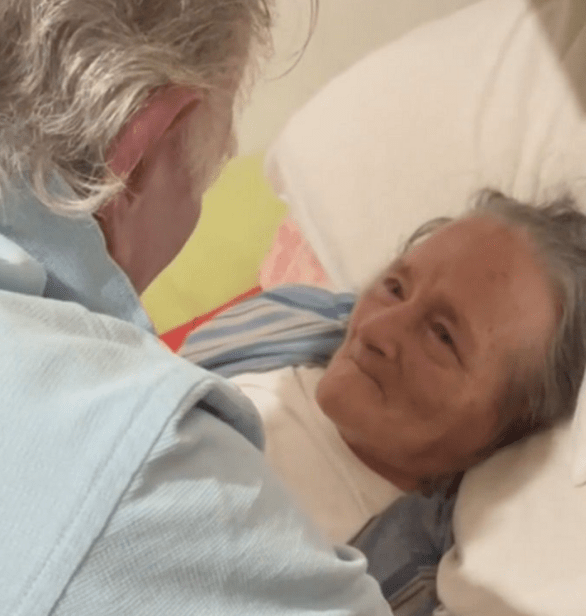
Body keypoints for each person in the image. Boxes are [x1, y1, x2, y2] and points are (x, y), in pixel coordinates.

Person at [0, 0, 394, 615]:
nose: (390, 323)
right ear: (143, 154)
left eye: (446, 335)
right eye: (208, 172)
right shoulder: (142, 471)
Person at [180, 188, 586, 544]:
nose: (376, 329)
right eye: (395, 287)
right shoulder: (281, 319)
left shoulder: (380, 576)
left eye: (443, 336)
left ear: (509, 428)